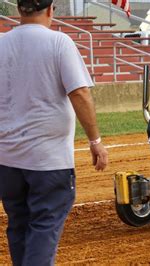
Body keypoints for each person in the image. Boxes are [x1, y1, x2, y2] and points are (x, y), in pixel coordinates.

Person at [0, 1, 108, 265]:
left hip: (7, 158)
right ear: (50, 9)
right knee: (43, 228)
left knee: (19, 225)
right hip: (47, 160)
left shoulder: (1, 43)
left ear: (19, 9)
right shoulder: (59, 42)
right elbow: (80, 93)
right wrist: (95, 141)